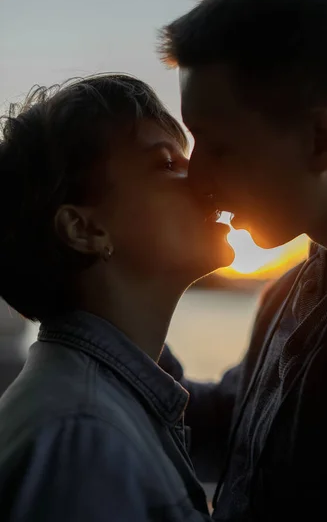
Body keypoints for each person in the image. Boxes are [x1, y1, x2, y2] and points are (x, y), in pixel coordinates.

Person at [158, 0, 327, 520]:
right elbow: (231, 428)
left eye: (219, 146)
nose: (195, 180)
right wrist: (113, 316)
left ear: (321, 141)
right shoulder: (289, 291)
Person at [0, 74, 234, 522]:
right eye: (166, 164)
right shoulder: (83, 441)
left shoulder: (101, 405)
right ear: (85, 230)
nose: (205, 179)